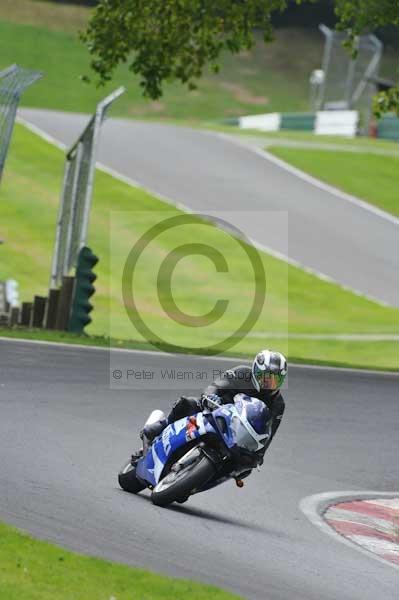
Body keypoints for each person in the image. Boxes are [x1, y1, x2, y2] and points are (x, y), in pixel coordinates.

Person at [139, 349, 287, 468]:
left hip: (239, 435)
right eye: (265, 377)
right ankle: (158, 428)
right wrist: (210, 397)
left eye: (275, 379)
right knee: (186, 403)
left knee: (243, 465)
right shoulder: (242, 373)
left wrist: (259, 455)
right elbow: (215, 386)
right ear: (255, 371)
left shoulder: (278, 403)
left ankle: (193, 483)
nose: (269, 383)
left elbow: (269, 432)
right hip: (215, 412)